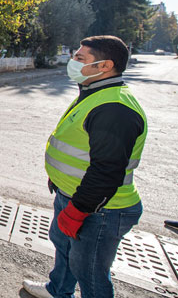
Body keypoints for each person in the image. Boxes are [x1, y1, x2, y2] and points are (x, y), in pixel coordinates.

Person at [23, 35, 146, 298]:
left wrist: (78, 210)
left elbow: (107, 171)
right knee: (65, 252)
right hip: (73, 197)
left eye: (80, 58)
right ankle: (57, 291)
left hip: (100, 210)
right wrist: (59, 180)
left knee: (89, 272)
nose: (72, 62)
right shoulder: (96, 93)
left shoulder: (114, 108)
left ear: (105, 65)